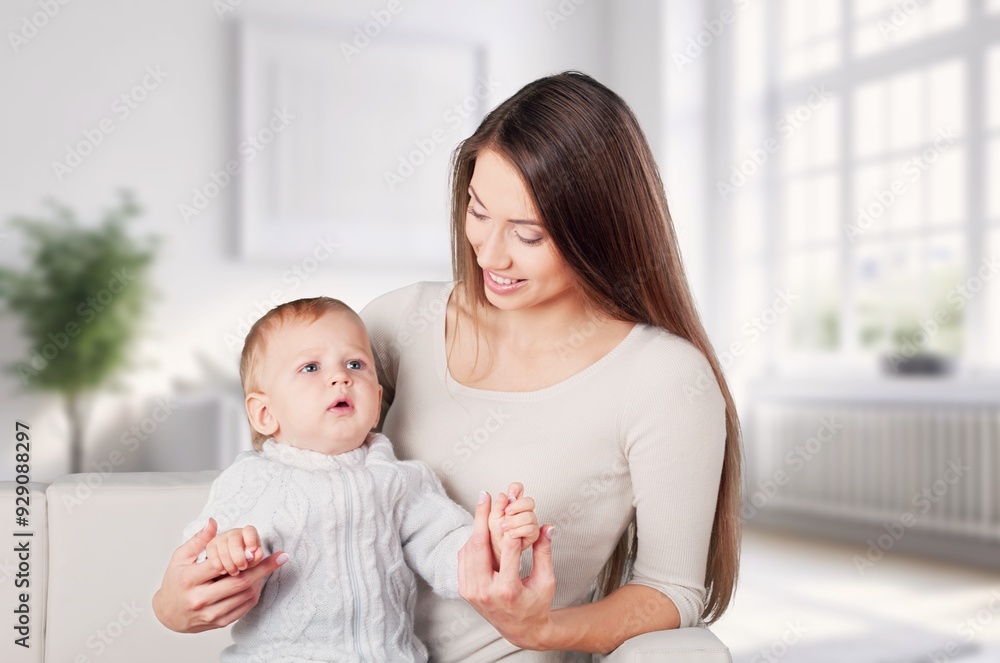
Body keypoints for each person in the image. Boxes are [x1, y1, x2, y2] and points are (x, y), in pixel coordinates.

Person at [153, 70, 743, 661]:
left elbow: (672, 590)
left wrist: (538, 630)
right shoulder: (394, 323)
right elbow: (282, 466)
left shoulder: (662, 379)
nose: (489, 253)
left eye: (529, 235)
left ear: (598, 230)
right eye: (478, 211)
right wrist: (179, 601)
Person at [180, 296, 539, 661]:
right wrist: (224, 552)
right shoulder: (253, 480)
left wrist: (493, 540)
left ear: (376, 401)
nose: (341, 377)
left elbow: (447, 550)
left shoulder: (401, 480)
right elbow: (200, 561)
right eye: (310, 368)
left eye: (355, 364)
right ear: (264, 413)